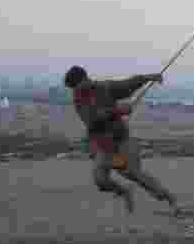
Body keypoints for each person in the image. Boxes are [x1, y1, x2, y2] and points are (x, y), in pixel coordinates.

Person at [64, 65, 179, 215]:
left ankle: (170, 199)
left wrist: (148, 77)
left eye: (76, 86)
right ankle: (124, 192)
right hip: (104, 146)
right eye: (73, 88)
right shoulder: (78, 100)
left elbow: (127, 84)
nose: (75, 90)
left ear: (84, 79)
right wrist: (119, 110)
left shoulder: (104, 87)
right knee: (100, 180)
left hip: (122, 139)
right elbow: (93, 120)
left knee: (135, 174)